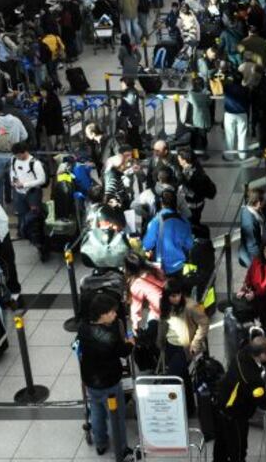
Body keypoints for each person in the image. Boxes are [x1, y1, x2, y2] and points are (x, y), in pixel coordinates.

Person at [77, 293, 134, 459]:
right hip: (110, 383)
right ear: (102, 314)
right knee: (116, 417)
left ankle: (101, 444)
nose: (115, 315)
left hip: (90, 380)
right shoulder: (111, 337)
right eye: (112, 312)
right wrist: (131, 343)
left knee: (96, 411)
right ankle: (121, 448)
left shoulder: (83, 328)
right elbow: (123, 352)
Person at [157, 277, 209, 411]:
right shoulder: (165, 305)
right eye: (172, 296)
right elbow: (163, 324)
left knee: (173, 378)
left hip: (184, 348)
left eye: (177, 295)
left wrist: (196, 343)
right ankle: (189, 408)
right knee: (183, 377)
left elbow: (204, 324)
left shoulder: (191, 306)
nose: (175, 298)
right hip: (169, 345)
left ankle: (177, 409)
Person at [142, 190, 193, 278]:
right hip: (180, 267)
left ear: (161, 203)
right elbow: (189, 245)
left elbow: (147, 245)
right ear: (176, 203)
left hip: (161, 268)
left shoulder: (155, 221)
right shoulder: (185, 221)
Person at [0, 101, 28, 204]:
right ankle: (17, 207)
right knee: (16, 182)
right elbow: (25, 135)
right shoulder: (16, 120)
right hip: (14, 156)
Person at [239, 187, 266, 268]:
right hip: (255, 256)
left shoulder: (257, 210)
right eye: (265, 200)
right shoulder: (249, 221)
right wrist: (261, 262)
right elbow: (252, 246)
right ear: (258, 203)